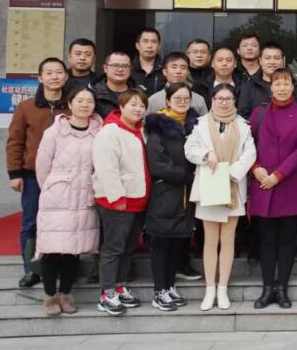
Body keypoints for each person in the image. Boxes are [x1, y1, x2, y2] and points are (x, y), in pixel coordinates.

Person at [184, 84, 256, 311]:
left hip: (232, 187)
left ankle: (223, 288)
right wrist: (206, 154)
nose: (224, 103)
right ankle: (210, 289)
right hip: (209, 186)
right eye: (219, 98)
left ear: (234, 101)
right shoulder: (200, 124)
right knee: (210, 240)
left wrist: (232, 173)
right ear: (212, 100)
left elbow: (250, 153)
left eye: (228, 99)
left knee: (228, 240)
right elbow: (189, 149)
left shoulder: (243, 125)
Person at [248, 69, 297, 309]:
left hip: (289, 184)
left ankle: (282, 289)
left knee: (287, 240)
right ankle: (267, 288)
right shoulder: (259, 113)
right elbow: (247, 145)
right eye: (277, 84)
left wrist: (278, 175)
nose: (282, 88)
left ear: (293, 87)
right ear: (271, 88)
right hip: (262, 183)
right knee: (266, 240)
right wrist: (255, 168)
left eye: (286, 83)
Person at [34, 86, 102, 315]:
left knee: (74, 249)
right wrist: (54, 188)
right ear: (70, 104)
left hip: (85, 197)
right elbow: (42, 166)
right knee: (52, 248)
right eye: (79, 100)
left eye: (89, 101)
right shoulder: (54, 132)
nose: (85, 105)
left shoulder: (99, 131)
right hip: (57, 199)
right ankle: (49, 296)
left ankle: (66, 293)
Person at [6, 57, 69, 288]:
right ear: (40, 78)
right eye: (49, 73)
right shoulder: (26, 107)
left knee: (62, 223)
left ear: (66, 76)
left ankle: (58, 267)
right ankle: (31, 269)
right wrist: (15, 173)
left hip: (64, 177)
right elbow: (15, 141)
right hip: (32, 175)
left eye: (59, 72)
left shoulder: (72, 105)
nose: (54, 77)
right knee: (30, 223)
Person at [91, 89, 149, 316]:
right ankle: (106, 294)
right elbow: (106, 168)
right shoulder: (110, 131)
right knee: (113, 248)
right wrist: (117, 197)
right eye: (133, 104)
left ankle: (120, 285)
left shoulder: (140, 130)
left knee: (128, 247)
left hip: (138, 200)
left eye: (141, 106)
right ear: (121, 106)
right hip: (118, 201)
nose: (138, 109)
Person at [144, 83, 199, 312]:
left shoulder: (194, 126)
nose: (182, 102)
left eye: (186, 98)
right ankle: (159, 291)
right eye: (177, 98)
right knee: (162, 244)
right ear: (167, 101)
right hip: (166, 193)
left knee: (178, 242)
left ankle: (169, 286)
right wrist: (187, 176)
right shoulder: (158, 127)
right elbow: (158, 163)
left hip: (187, 195)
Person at [238, 43, 297, 120]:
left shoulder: (293, 85)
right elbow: (242, 116)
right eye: (268, 58)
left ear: (283, 61)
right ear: (260, 61)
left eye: (276, 58)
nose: (272, 62)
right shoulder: (250, 85)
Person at [94, 52, 135, 119]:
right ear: (105, 68)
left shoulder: (138, 93)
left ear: (130, 69)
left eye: (125, 66)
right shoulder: (93, 93)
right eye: (115, 65)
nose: (120, 69)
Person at [132, 28, 165, 95]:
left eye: (153, 42)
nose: (149, 46)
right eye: (145, 41)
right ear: (137, 45)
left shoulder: (165, 69)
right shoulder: (129, 68)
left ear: (159, 46)